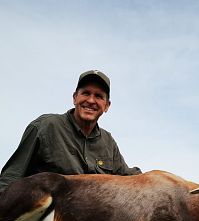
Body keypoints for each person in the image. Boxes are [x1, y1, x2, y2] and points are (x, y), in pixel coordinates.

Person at [0, 70, 141, 193]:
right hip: (46, 215)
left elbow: (129, 178)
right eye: (86, 93)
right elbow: (11, 177)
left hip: (93, 219)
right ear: (75, 98)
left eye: (98, 96)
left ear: (107, 106)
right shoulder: (45, 126)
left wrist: (158, 179)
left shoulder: (108, 142)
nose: (91, 100)